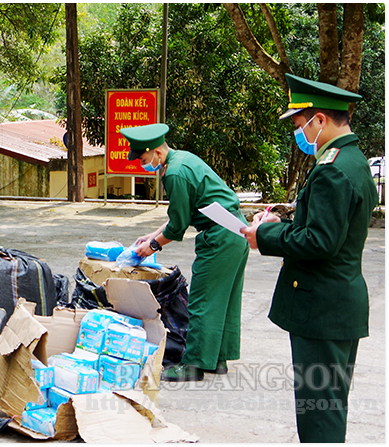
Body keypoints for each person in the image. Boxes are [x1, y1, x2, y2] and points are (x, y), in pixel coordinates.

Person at [241, 74, 377, 443]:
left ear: (320, 120)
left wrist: (263, 235)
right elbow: (325, 226)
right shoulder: (353, 161)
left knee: (321, 413)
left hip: (323, 307)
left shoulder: (332, 169)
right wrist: (281, 222)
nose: (299, 134)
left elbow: (320, 241)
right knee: (327, 405)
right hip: (336, 302)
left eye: (301, 125)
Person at [122, 123, 249, 381]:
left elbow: (178, 226)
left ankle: (193, 366)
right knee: (223, 298)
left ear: (157, 152)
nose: (143, 164)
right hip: (236, 231)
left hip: (219, 236)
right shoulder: (183, 159)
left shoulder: (174, 174)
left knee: (202, 300)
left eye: (145, 159)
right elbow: (183, 212)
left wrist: (153, 246)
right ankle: (217, 359)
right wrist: (152, 234)